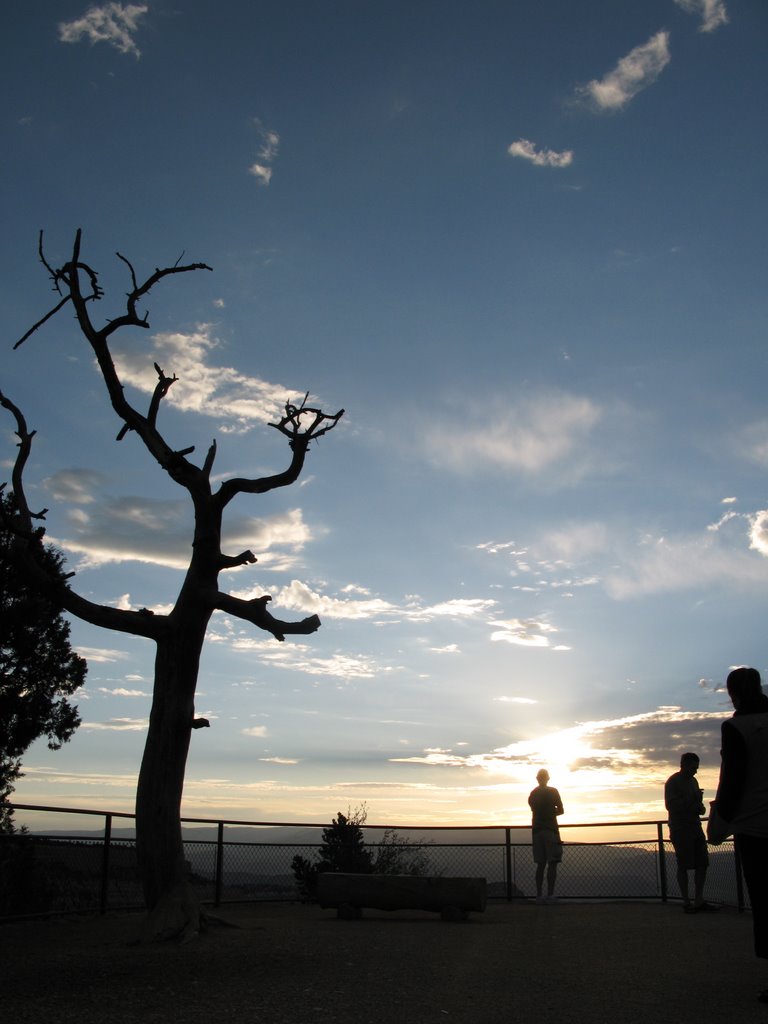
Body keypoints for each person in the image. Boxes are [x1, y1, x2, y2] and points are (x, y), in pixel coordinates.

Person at [712, 666, 768, 1004]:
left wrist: (721, 822)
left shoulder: (735, 727)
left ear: (733, 693)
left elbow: (731, 781)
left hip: (755, 827)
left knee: (765, 901)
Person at [664, 752, 716, 914]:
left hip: (695, 826)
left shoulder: (694, 781)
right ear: (684, 765)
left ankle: (698, 900)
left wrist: (700, 807)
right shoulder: (673, 782)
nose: (695, 771)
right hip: (681, 828)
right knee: (684, 865)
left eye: (697, 768)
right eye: (693, 768)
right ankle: (686, 902)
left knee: (702, 864)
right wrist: (692, 799)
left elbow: (697, 807)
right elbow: (671, 806)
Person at [528, 768, 564, 903]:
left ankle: (539, 895)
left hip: (537, 831)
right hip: (551, 830)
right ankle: (550, 895)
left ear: (537, 778)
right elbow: (561, 810)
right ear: (548, 778)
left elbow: (535, 809)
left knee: (540, 864)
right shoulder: (553, 792)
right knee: (552, 863)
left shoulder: (533, 794)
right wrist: (551, 812)